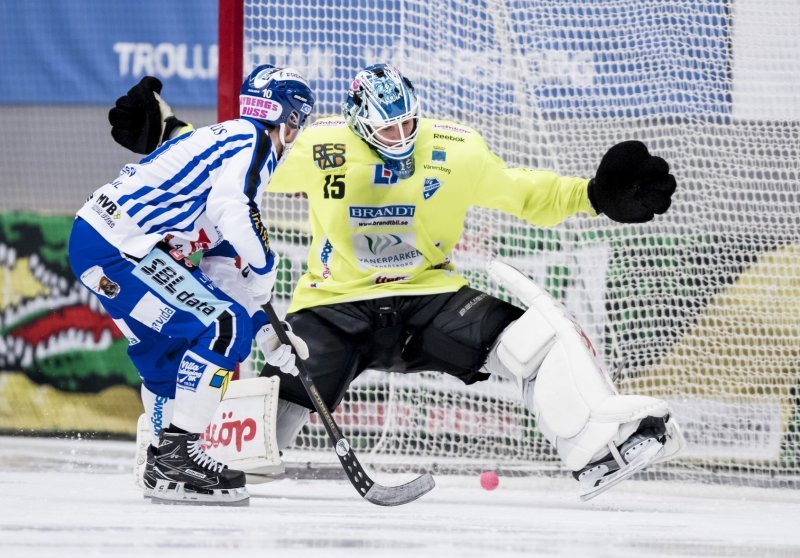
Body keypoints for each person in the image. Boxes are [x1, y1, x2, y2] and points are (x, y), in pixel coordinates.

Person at [109, 63, 684, 499]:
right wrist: (166, 132)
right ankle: (171, 448)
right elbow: (239, 154)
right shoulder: (320, 144)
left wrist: (592, 195)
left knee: (530, 341)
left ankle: (597, 450)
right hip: (333, 308)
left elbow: (523, 192)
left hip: (429, 299)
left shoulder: (456, 149)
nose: (400, 135)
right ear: (359, 120)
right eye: (386, 126)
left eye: (409, 121)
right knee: (263, 438)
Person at [69, 65, 315, 505]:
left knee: (170, 356)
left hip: (100, 244)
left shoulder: (223, 141)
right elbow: (234, 210)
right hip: (122, 249)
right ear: (291, 121)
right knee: (224, 327)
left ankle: (162, 462)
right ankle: (179, 457)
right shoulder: (254, 143)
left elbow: (220, 270)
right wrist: (264, 270)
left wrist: (268, 332)